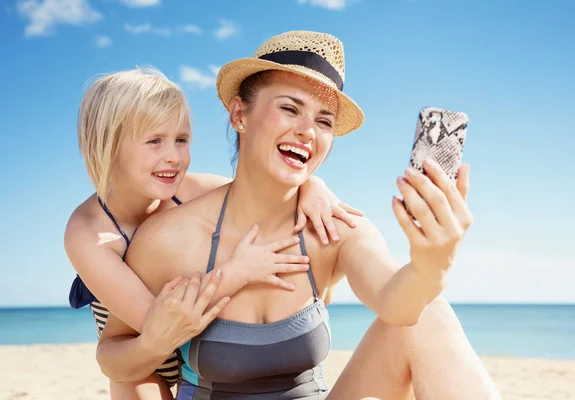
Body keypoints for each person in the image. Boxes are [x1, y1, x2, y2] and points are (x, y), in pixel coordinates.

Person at [95, 31, 501, 399]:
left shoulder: (334, 228)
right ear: (239, 115)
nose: (308, 130)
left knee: (431, 313)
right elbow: (117, 363)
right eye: (290, 109)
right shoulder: (170, 238)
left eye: (323, 121)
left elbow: (400, 307)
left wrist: (434, 262)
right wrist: (152, 342)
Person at [64, 67, 364, 399]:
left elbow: (268, 195)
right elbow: (163, 320)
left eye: (181, 140)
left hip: (202, 350)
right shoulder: (88, 233)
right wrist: (236, 274)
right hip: (150, 350)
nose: (173, 157)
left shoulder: (194, 190)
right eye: (154, 141)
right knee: (129, 381)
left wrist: (313, 186)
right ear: (108, 145)